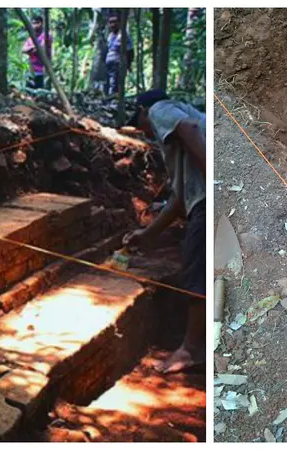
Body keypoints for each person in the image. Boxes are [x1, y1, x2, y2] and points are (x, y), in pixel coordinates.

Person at [124, 89, 206, 373]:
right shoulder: (180, 151)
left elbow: (189, 127)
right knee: (198, 261)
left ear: (144, 111)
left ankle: (192, 350)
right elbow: (179, 200)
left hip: (209, 198)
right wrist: (147, 235)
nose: (145, 132)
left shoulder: (161, 109)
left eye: (140, 123)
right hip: (201, 200)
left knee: (197, 266)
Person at [105, 13, 134, 96]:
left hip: (118, 62)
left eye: (114, 22)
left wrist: (129, 64)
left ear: (120, 23)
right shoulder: (110, 35)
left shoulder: (123, 35)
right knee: (111, 83)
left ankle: (115, 102)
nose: (112, 24)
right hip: (110, 64)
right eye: (110, 22)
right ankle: (111, 100)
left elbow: (130, 50)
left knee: (116, 84)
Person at [22, 16, 53, 89]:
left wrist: (30, 49)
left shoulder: (47, 35)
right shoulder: (31, 38)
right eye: (33, 23)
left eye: (37, 23)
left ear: (41, 23)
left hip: (43, 71)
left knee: (41, 94)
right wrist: (33, 48)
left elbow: (40, 49)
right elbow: (23, 50)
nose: (35, 25)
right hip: (32, 70)